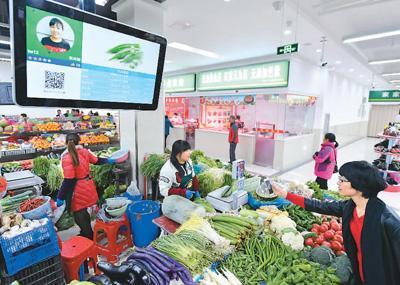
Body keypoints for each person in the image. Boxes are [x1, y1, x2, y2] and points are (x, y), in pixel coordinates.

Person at [272, 161, 400, 285]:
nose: (338, 183)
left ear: (358, 184)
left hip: (381, 276)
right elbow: (318, 206)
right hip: (360, 271)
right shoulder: (350, 206)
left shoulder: (386, 218)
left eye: (343, 180)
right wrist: (285, 194)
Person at [56, 133, 115, 239]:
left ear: (66, 143)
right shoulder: (84, 152)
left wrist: (61, 196)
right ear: (79, 141)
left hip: (77, 190)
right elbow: (97, 161)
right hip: (88, 185)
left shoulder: (67, 157)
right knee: (83, 212)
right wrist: (108, 160)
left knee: (79, 214)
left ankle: (89, 237)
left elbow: (68, 180)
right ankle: (86, 232)